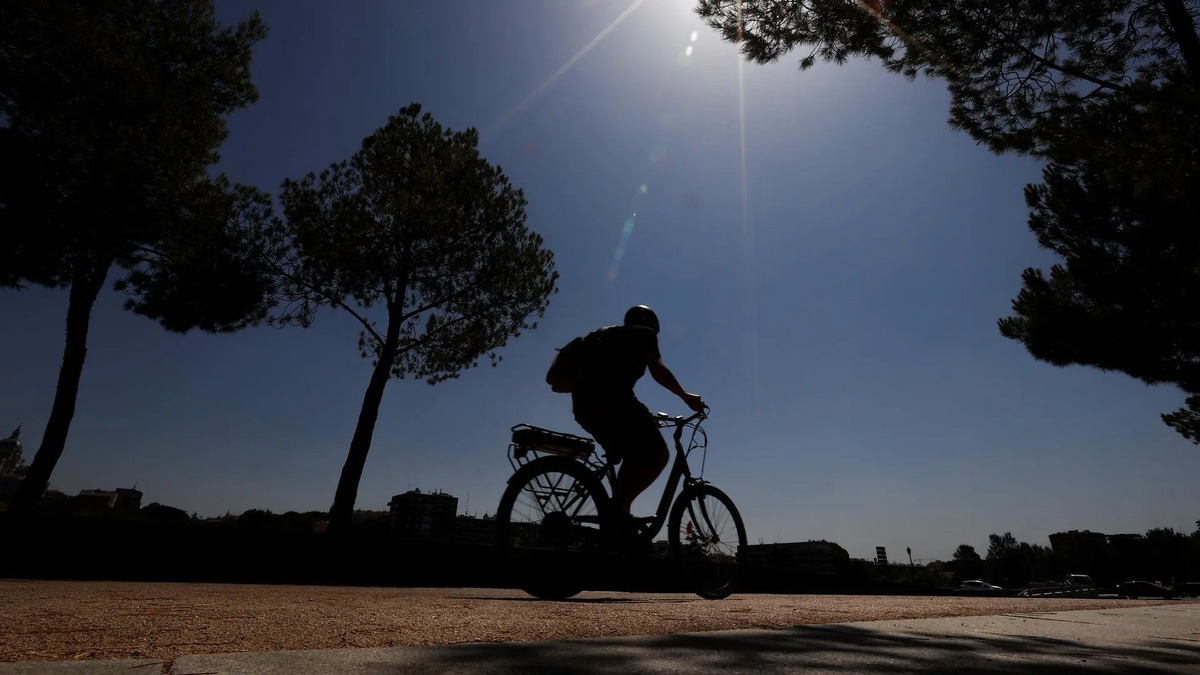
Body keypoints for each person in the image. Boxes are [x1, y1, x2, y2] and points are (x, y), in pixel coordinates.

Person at [570, 305, 704, 520]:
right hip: (613, 400)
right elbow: (658, 369)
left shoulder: (610, 336)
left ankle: (619, 520)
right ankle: (619, 507)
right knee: (659, 455)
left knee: (634, 456)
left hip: (585, 407)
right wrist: (685, 396)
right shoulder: (645, 334)